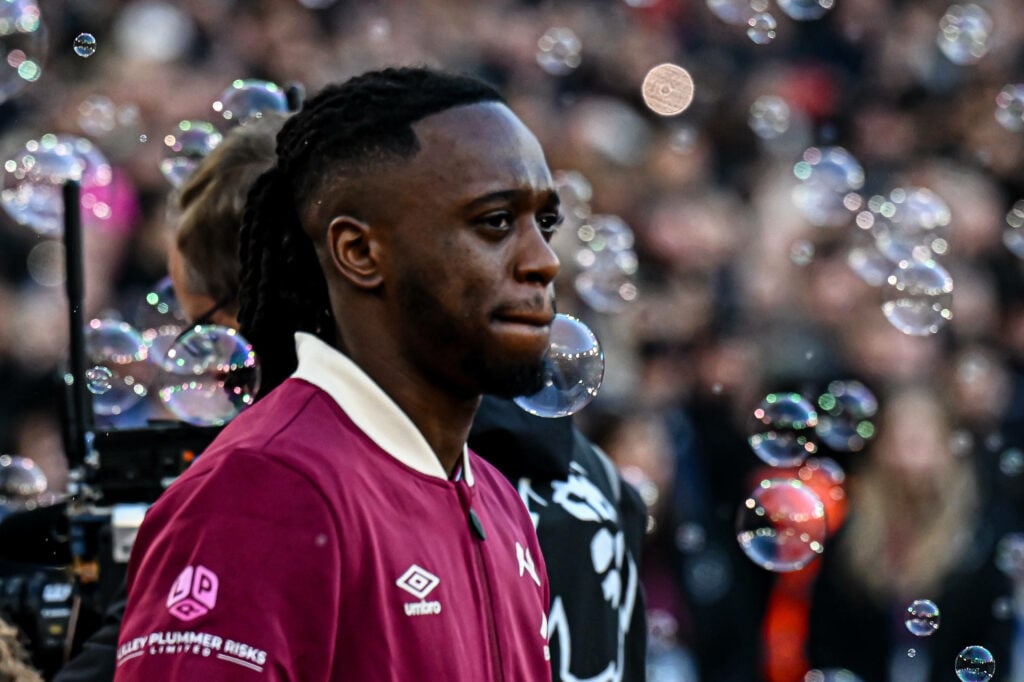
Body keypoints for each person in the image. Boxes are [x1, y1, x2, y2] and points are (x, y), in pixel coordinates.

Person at [59, 71, 646, 682]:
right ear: (359, 252)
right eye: (495, 222)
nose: (543, 261)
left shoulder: (499, 501)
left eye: (544, 223)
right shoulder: (260, 491)